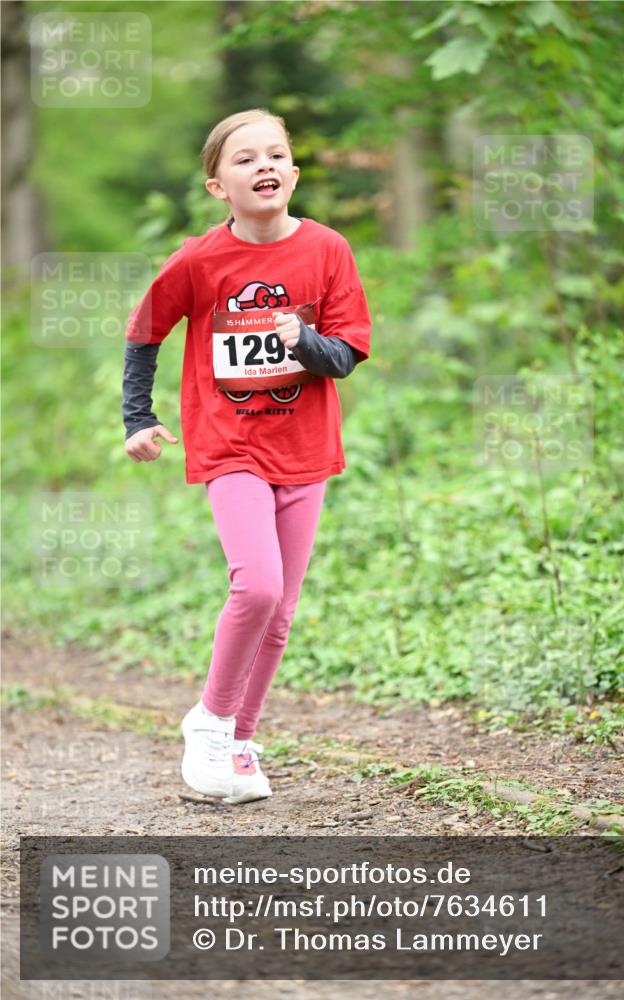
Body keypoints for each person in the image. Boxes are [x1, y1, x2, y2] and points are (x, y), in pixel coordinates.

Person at [121, 108, 372, 805]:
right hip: (229, 445)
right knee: (256, 585)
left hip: (305, 448)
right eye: (244, 159)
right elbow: (144, 331)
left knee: (282, 610)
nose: (263, 166)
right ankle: (208, 721)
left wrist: (302, 342)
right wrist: (136, 417)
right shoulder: (201, 260)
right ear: (216, 186)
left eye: (275, 155)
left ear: (292, 173)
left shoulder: (327, 250)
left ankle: (236, 740)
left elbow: (345, 355)